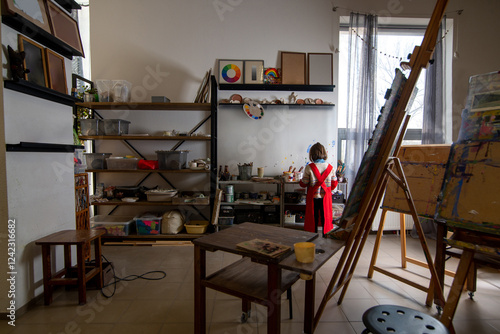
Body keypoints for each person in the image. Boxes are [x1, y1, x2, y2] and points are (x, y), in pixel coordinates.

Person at [299, 142, 338, 236]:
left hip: (313, 197)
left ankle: (314, 234)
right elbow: (334, 184)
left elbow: (304, 183)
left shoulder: (309, 167)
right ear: (324, 153)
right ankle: (325, 234)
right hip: (326, 197)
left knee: (313, 216)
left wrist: (300, 181)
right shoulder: (330, 168)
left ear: (312, 154)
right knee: (325, 216)